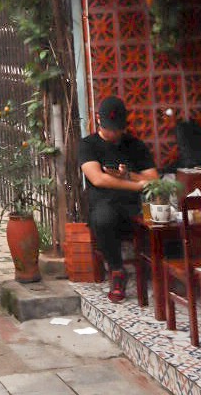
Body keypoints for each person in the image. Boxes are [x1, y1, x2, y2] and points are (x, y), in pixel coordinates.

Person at [78, 96, 158, 303]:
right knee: (103, 218)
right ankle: (116, 271)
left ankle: (161, 272)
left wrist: (127, 176)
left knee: (158, 220)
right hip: (105, 206)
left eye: (117, 129)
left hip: (133, 205)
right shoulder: (88, 145)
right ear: (98, 120)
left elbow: (153, 180)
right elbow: (98, 178)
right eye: (110, 129)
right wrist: (137, 184)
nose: (114, 134)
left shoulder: (135, 145)